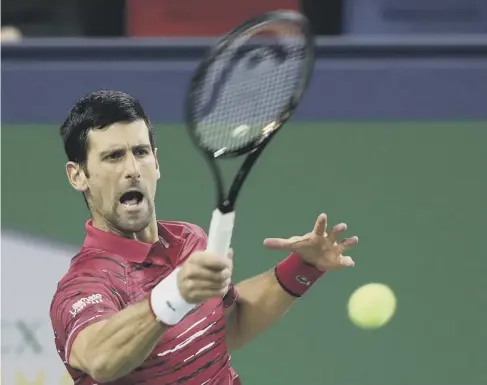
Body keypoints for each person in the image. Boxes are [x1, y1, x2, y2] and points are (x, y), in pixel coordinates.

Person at [49, 90, 359, 385]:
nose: (132, 169)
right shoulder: (84, 285)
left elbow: (228, 326)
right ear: (78, 176)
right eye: (113, 156)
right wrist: (175, 293)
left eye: (140, 152)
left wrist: (303, 266)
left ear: (156, 162)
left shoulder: (188, 239)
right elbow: (101, 359)